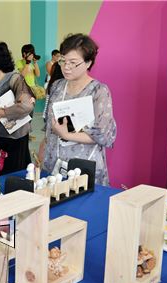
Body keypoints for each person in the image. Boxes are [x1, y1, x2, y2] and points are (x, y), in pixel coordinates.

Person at [40, 33, 117, 186]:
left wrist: (66, 134)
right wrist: (42, 153)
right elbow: (49, 126)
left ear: (88, 63)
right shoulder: (57, 86)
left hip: (84, 166)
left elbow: (103, 135)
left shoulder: (98, 91)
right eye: (63, 61)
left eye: (73, 63)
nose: (66, 67)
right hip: (54, 166)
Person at [0, 42, 36, 174]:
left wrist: (1, 112)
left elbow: (27, 105)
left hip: (15, 138)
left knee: (14, 178)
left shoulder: (14, 79)